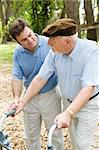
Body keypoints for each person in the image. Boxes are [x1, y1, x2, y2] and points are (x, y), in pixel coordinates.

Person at [14, 18, 99, 150]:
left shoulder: (91, 51)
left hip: (88, 104)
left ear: (67, 41)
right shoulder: (55, 52)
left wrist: (68, 113)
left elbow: (88, 88)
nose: (48, 44)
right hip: (68, 102)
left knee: (82, 144)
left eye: (52, 41)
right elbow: (40, 78)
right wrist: (22, 102)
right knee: (75, 141)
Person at [9, 18, 64, 150]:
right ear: (18, 43)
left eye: (30, 35)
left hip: (50, 95)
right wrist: (16, 98)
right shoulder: (18, 53)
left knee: (55, 134)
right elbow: (17, 76)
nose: (30, 40)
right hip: (30, 99)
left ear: (32, 29)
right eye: (24, 40)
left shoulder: (49, 43)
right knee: (30, 136)